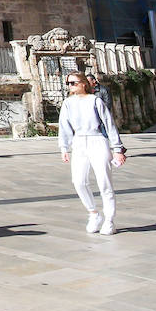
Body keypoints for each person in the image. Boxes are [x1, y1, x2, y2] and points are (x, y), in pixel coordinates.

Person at [59, 72, 126, 235]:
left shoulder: (95, 101)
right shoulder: (68, 103)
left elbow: (109, 124)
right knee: (78, 181)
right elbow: (64, 126)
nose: (70, 86)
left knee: (104, 181)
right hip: (79, 141)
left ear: (83, 83)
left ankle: (109, 220)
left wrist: (117, 148)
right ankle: (93, 213)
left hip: (97, 140)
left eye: (73, 83)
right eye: (68, 83)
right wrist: (64, 147)